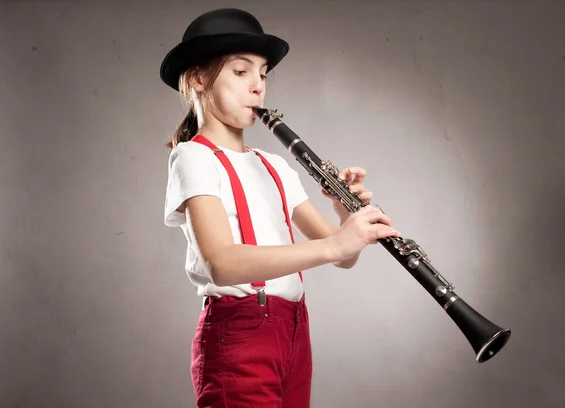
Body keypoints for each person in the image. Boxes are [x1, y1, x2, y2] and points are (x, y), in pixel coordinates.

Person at [159, 8, 400, 408]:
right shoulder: (193, 157)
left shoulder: (275, 165)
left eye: (263, 74)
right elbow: (223, 263)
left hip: (293, 330)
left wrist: (347, 216)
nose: (258, 86)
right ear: (198, 78)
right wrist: (338, 245)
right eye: (240, 72)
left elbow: (343, 257)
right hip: (239, 334)